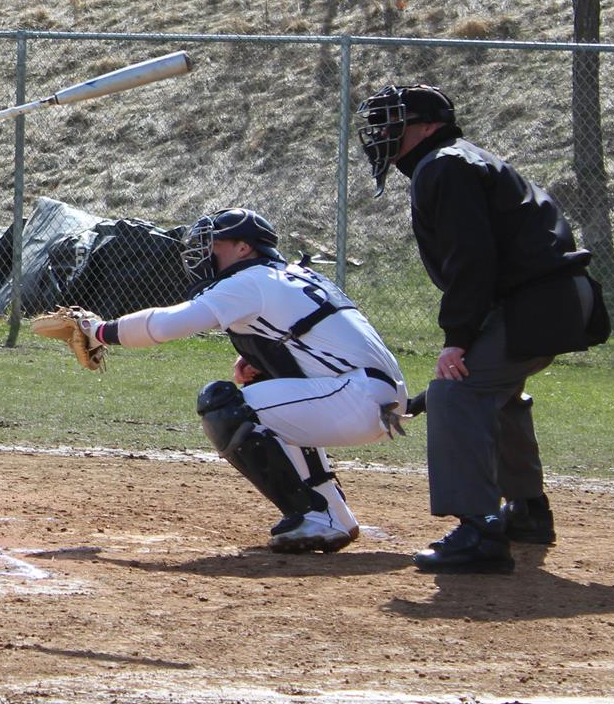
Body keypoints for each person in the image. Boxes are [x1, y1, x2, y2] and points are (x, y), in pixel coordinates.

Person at [358, 83, 610, 574]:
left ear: (428, 126)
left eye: (395, 123)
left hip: (540, 300)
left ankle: (479, 530)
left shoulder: (445, 164)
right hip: (550, 297)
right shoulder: (455, 160)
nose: (383, 134)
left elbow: (472, 258)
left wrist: (457, 340)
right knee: (494, 393)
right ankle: (527, 512)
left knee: (457, 392)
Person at [54, 209, 407, 555]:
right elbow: (314, 338)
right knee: (261, 401)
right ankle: (331, 516)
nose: (204, 255)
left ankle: (316, 514)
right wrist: (258, 359)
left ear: (244, 248)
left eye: (215, 245)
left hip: (356, 398)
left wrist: (98, 331)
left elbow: (166, 325)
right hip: (374, 396)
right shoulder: (287, 275)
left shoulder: (250, 279)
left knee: (227, 407)